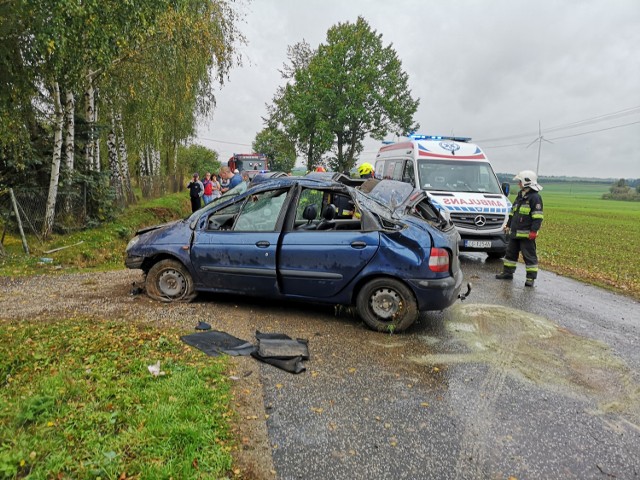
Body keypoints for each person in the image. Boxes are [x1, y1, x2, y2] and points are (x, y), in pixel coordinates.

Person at [496, 170, 544, 287]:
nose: (518, 184)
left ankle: (530, 279)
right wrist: (508, 225)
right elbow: (513, 213)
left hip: (527, 235)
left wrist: (533, 231)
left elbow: (538, 217)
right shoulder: (520, 196)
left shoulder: (535, 198)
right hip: (514, 233)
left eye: (520, 181)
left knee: (529, 256)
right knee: (510, 254)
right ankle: (508, 273)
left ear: (526, 182)